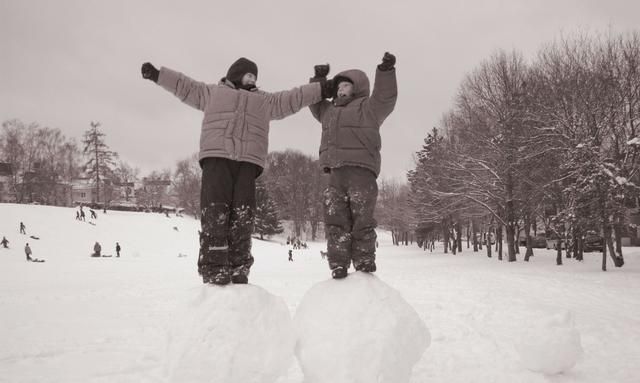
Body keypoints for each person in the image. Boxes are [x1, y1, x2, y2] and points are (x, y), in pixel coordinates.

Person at [141, 57, 331, 285]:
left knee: (244, 214)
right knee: (215, 212)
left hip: (247, 163)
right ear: (235, 74)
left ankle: (239, 266)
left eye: (255, 76)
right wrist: (158, 75)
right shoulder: (212, 93)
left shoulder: (264, 101)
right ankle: (215, 267)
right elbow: (185, 86)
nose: (253, 79)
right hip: (216, 158)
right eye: (249, 75)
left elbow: (293, 98)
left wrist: (323, 87)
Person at [309, 52, 397, 279]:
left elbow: (385, 97)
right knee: (335, 220)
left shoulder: (368, 108)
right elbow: (315, 102)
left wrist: (385, 71)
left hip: (361, 172)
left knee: (362, 220)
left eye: (346, 86)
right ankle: (338, 263)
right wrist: (319, 80)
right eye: (338, 87)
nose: (340, 90)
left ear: (357, 88)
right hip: (335, 173)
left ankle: (365, 261)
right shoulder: (329, 111)